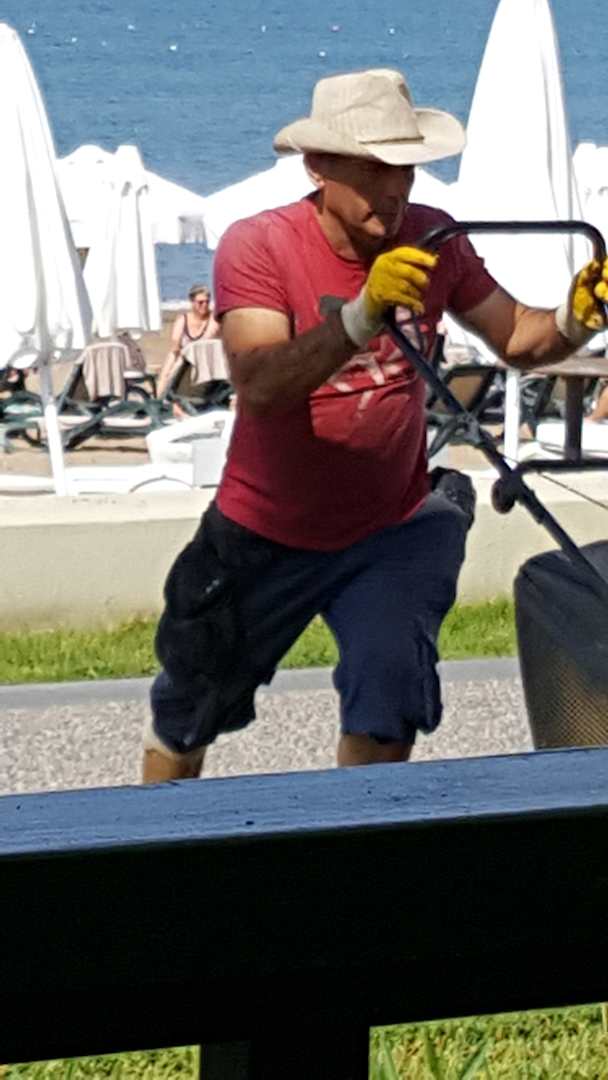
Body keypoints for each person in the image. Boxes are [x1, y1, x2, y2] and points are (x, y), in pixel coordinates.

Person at [142, 68, 608, 782]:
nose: (396, 189)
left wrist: (577, 318)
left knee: (390, 712)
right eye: (375, 169)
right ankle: (152, 839)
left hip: (390, 529)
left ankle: (361, 840)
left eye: (407, 169)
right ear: (318, 166)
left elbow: (518, 336)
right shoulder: (258, 245)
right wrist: (361, 316)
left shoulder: (433, 237)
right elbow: (260, 385)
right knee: (187, 715)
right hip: (265, 530)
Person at [156, 283, 219, 398]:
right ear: (192, 302)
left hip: (203, 356)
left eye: (207, 302)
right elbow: (175, 343)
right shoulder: (183, 319)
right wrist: (180, 352)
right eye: (200, 302)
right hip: (182, 354)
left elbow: (206, 339)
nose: (204, 305)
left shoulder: (212, 319)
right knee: (168, 368)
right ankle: (160, 398)